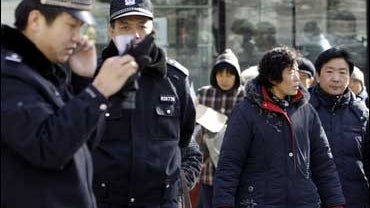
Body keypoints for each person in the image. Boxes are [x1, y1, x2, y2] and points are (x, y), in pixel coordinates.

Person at [1, 0, 139, 207]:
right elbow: (47, 148)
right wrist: (98, 90)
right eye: (71, 26)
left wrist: (83, 80)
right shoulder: (8, 74)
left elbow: (84, 142)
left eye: (81, 28)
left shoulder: (43, 70)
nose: (78, 37)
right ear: (36, 20)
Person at [88, 0, 197, 207]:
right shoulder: (94, 76)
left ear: (153, 30)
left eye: (142, 25)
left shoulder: (176, 79)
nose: (136, 34)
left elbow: (186, 139)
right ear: (111, 31)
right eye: (125, 26)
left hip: (160, 201)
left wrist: (178, 182)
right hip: (106, 200)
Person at [213, 46, 346, 208]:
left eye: (297, 71)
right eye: (291, 72)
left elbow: (323, 162)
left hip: (304, 202)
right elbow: (229, 164)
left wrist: (335, 203)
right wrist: (224, 204)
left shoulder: (306, 111)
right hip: (258, 202)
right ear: (273, 78)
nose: (297, 78)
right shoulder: (246, 112)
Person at [309, 47, 369, 207]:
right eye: (329, 71)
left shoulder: (361, 113)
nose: (336, 78)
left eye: (342, 72)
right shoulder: (302, 110)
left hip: (355, 200)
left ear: (350, 77)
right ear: (317, 76)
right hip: (312, 200)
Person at [196, 48, 245, 208]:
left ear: (236, 75)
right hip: (208, 169)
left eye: (229, 74)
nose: (224, 79)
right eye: (220, 74)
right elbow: (193, 127)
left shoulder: (244, 96)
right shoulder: (203, 94)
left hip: (237, 170)